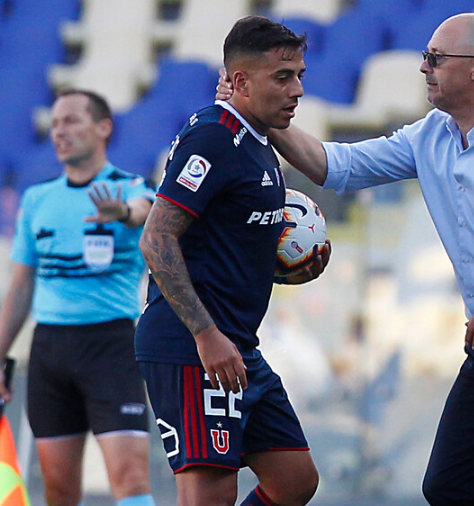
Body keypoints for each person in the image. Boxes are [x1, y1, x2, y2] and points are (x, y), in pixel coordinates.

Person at [218, 12, 474, 506]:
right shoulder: (431, 135)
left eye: (435, 58)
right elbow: (336, 167)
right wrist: (258, 115)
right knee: (447, 486)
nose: (424, 67)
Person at [135, 16, 330, 506]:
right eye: (282, 77)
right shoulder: (214, 137)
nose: (297, 90)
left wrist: (287, 269)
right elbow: (156, 238)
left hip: (237, 345)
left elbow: (222, 243)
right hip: (192, 343)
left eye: (300, 75)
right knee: (210, 494)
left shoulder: (260, 141)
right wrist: (205, 335)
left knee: (295, 480)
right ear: (240, 82)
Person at [0, 89, 156, 506]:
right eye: (54, 124)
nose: (59, 131)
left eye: (71, 120)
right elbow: (21, 285)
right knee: (58, 489)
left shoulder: (129, 187)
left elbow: (142, 210)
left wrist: (122, 213)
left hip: (111, 348)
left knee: (130, 478)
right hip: (50, 351)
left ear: (103, 127)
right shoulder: (38, 199)